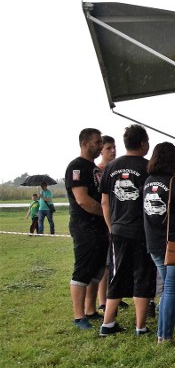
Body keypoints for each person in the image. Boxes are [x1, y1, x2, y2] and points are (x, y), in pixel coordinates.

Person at [99, 124, 156, 337]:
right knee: (143, 274)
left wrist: (111, 227)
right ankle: (140, 326)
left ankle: (108, 323)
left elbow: (104, 202)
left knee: (116, 275)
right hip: (143, 231)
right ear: (143, 144)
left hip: (119, 231)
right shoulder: (148, 167)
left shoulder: (111, 167)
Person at [143, 142, 175, 344]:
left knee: (167, 289)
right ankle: (164, 335)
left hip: (154, 243)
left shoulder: (147, 182)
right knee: (171, 289)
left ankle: (162, 334)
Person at [65, 128, 109, 330]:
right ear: (85, 144)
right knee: (82, 270)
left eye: (101, 142)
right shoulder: (76, 167)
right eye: (97, 142)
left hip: (100, 228)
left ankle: (91, 310)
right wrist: (106, 214)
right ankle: (78, 316)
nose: (101, 146)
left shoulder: (95, 169)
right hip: (84, 227)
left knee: (97, 270)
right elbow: (82, 200)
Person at [96, 134, 117, 310]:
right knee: (104, 264)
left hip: (116, 220)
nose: (113, 151)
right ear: (101, 150)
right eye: (109, 148)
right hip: (104, 223)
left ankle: (113, 295)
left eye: (114, 147)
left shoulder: (115, 169)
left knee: (113, 263)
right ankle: (103, 301)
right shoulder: (100, 171)